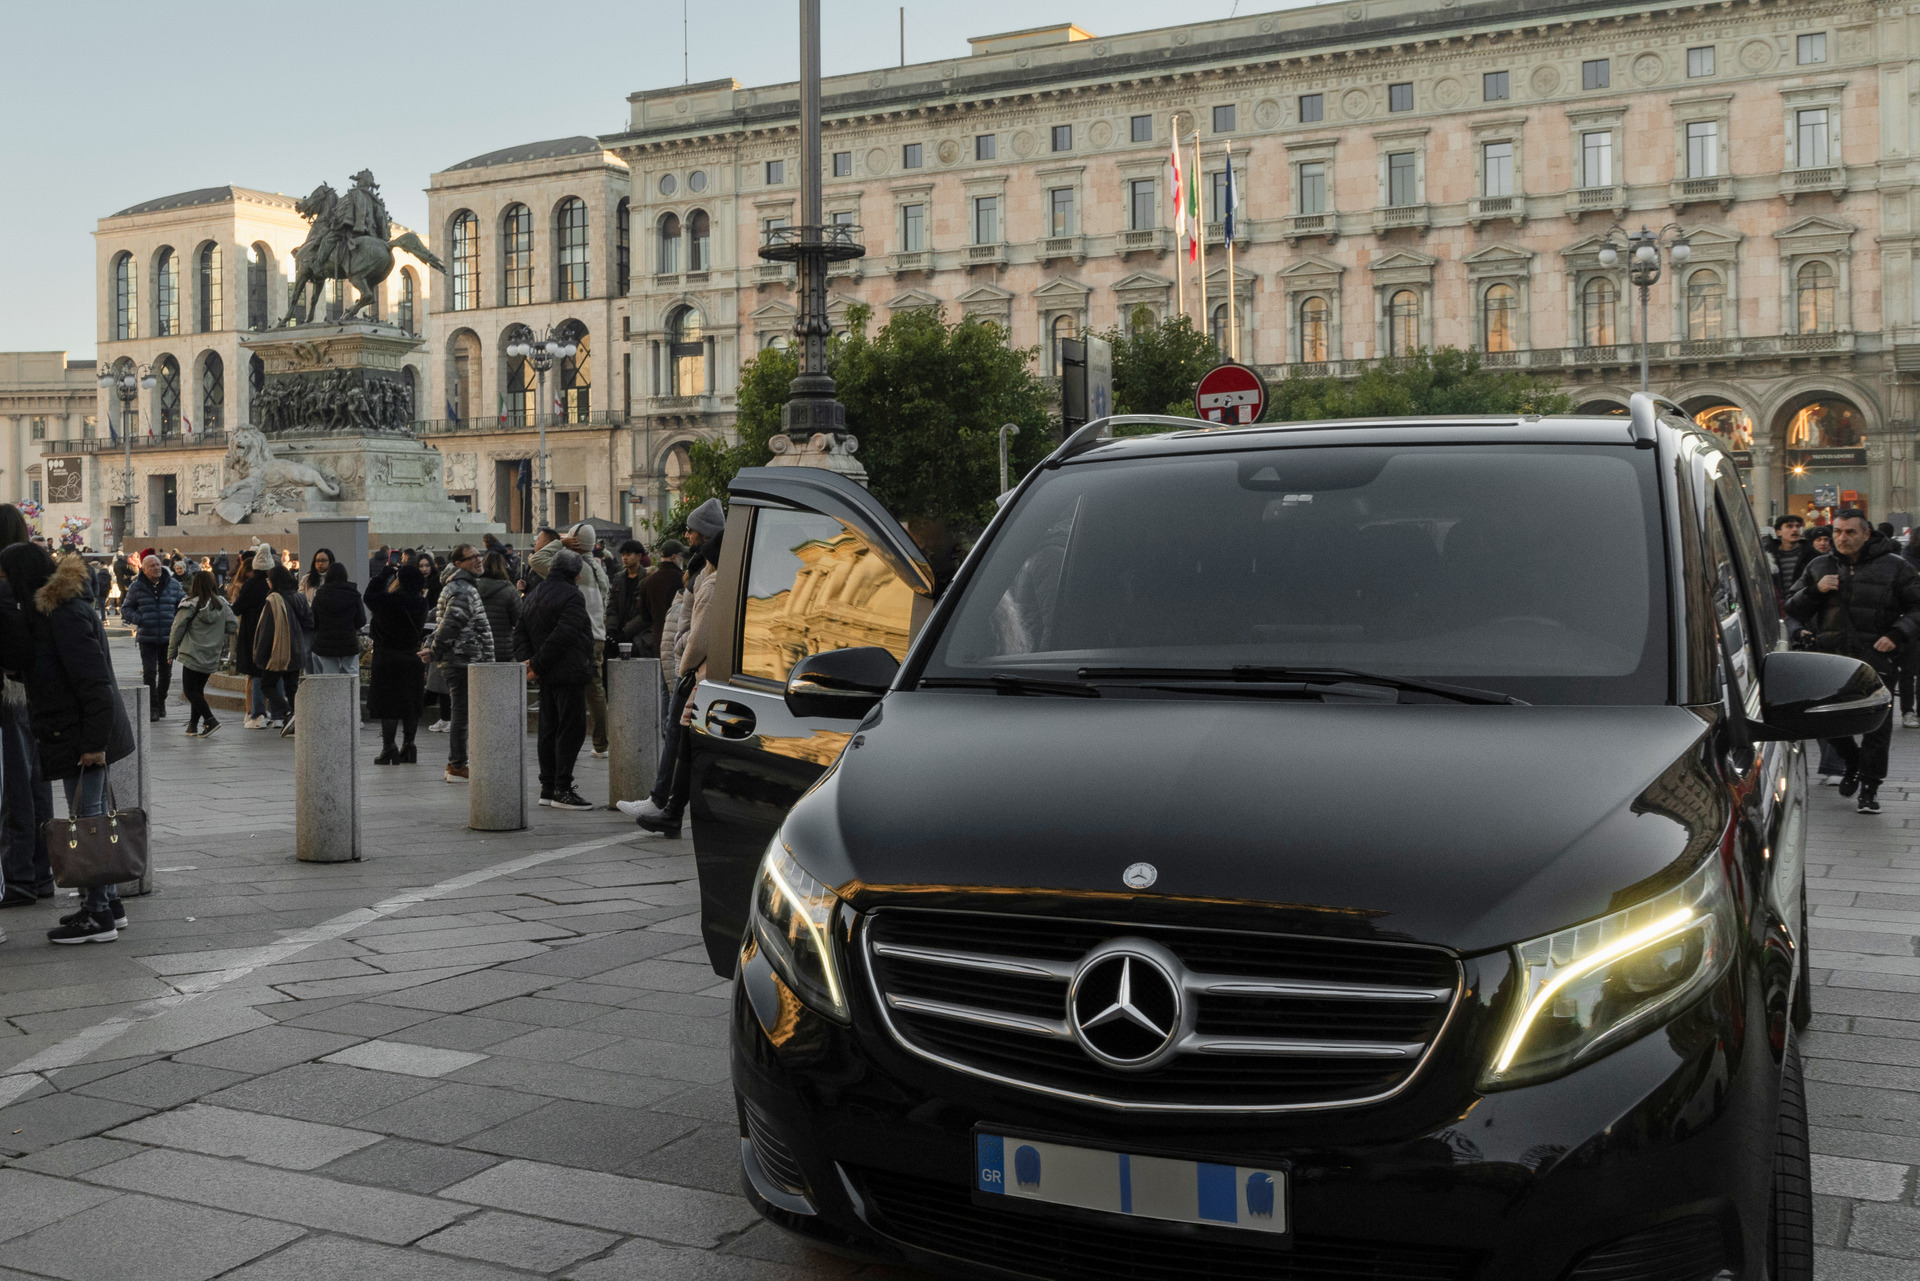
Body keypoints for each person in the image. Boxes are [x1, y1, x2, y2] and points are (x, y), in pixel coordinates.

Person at [0, 545, 136, 943]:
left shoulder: (64, 615)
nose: (2, 584)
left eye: (5, 576)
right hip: (76, 731)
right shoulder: (52, 613)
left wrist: (94, 744)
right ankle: (108, 903)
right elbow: (50, 673)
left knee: (90, 823)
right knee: (91, 819)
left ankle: (98, 917)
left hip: (85, 734)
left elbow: (94, 682)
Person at [1787, 509, 1920, 815]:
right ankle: (1852, 761)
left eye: (1849, 532)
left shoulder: (1895, 567)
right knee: (1824, 718)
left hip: (1877, 658)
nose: (1842, 538)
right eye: (1837, 532)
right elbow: (1793, 608)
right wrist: (1815, 591)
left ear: (1866, 534)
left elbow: (1917, 607)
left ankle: (1870, 789)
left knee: (1877, 726)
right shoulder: (1819, 565)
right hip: (1829, 657)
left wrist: (1897, 634)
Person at [618, 498, 724, 836]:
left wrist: (684, 660)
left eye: (692, 531)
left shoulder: (708, 579)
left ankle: (667, 805)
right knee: (684, 741)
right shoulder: (702, 571)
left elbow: (699, 632)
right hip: (689, 666)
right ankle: (669, 808)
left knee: (683, 740)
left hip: (693, 671)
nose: (688, 536)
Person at [0, 506, 54, 911]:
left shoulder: (4, 580)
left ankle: (19, 875)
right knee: (36, 780)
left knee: (15, 783)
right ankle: (42, 871)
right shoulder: (35, 576)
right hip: (33, 693)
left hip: (8, 692)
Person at [515, 548, 595, 810]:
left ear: (551, 569)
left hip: (546, 674)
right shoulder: (573, 596)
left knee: (548, 730)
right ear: (577, 574)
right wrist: (536, 664)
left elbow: (520, 632)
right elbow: (565, 634)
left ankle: (547, 787)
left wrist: (530, 663)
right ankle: (562, 788)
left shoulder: (534, 593)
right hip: (568, 672)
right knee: (570, 730)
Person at [534, 523, 612, 758]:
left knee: (577, 691)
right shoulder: (598, 568)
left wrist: (559, 544)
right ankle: (601, 743)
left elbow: (536, 561)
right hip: (598, 634)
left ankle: (586, 743)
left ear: (575, 541)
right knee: (595, 689)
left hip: (580, 635)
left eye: (570, 537)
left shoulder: (576, 568)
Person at [426, 544, 492, 783]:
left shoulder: (458, 586)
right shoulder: (463, 588)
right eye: (471, 557)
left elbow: (442, 622)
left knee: (461, 712)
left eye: (478, 555)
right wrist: (435, 649)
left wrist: (431, 647)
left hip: (462, 658)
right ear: (458, 564)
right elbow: (452, 623)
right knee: (462, 713)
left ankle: (455, 761)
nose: (478, 560)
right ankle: (457, 764)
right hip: (464, 659)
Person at [367, 562, 428, 765]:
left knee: (389, 705)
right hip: (412, 657)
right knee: (410, 703)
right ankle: (409, 746)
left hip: (387, 658)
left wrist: (383, 574)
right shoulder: (421, 603)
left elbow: (368, 596)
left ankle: (389, 748)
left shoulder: (388, 601)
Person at [168, 570, 237, 737]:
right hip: (211, 653)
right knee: (198, 690)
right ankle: (193, 725)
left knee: (190, 691)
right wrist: (217, 631)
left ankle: (210, 720)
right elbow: (233, 625)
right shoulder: (221, 603)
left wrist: (171, 652)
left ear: (195, 584)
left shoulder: (190, 604)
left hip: (192, 653)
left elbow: (177, 628)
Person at [121, 552, 184, 721]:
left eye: (158, 565)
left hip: (168, 637)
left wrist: (177, 622)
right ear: (144, 569)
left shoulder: (173, 585)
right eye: (152, 566)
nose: (156, 568)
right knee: (149, 672)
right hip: (147, 637)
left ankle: (161, 701)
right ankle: (152, 707)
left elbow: (183, 605)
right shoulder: (136, 586)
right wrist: (141, 620)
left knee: (166, 673)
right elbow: (126, 609)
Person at [252, 564, 313, 734]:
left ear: (273, 581)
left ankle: (287, 712)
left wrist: (260, 655)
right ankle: (296, 720)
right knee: (291, 686)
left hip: (279, 650)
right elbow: (310, 622)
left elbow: (267, 630)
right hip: (298, 649)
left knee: (267, 684)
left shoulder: (273, 600)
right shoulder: (300, 597)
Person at [235, 545, 274, 727]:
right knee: (274, 671)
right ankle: (278, 713)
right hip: (273, 631)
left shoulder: (250, 585)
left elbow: (237, 608)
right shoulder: (273, 584)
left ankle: (257, 714)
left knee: (255, 672)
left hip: (252, 631)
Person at [309, 562, 367, 675]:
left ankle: (331, 693)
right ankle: (351, 693)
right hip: (348, 642)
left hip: (325, 643)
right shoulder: (354, 595)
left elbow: (314, 621)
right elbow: (361, 621)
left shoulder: (320, 595)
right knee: (351, 675)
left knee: (329, 676)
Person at [605, 539, 655, 657]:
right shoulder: (618, 578)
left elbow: (646, 613)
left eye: (628, 554)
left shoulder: (647, 579)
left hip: (640, 635)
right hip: (619, 631)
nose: (624, 558)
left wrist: (626, 632)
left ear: (638, 556)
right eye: (623, 555)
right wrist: (612, 630)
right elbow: (612, 606)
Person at [476, 550, 523, 662]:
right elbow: (520, 619)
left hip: (477, 646)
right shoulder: (509, 590)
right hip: (502, 648)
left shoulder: (472, 588)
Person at [1765, 516, 1814, 602]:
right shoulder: (1769, 556)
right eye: (1789, 526)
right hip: (1778, 608)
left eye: (1798, 526)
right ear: (1778, 532)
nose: (1795, 529)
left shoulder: (1810, 555)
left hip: (1803, 606)